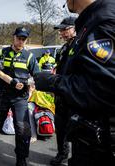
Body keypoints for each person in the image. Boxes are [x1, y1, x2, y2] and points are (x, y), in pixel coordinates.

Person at [34, 0, 115, 165]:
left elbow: (106, 88)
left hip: (102, 141)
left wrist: (52, 82)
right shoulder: (91, 22)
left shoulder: (103, 20)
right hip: (86, 132)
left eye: (65, 29)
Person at [0, 27, 39, 166]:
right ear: (13, 37)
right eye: (19, 38)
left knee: (22, 129)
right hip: (2, 95)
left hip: (20, 98)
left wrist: (28, 84)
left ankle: (21, 158)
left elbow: (37, 77)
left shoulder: (30, 57)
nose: (21, 41)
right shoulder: (2, 53)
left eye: (24, 39)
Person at [49, 16, 77, 166]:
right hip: (61, 95)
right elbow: (58, 69)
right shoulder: (63, 48)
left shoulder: (81, 45)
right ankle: (62, 154)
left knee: (77, 131)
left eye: (65, 29)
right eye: (61, 30)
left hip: (75, 96)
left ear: (75, 28)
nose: (62, 32)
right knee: (60, 128)